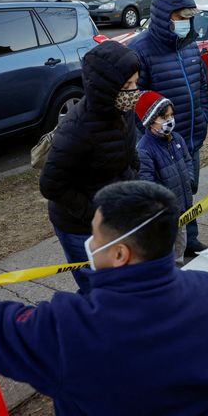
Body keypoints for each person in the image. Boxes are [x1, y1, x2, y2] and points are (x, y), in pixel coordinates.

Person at [0, 175, 208, 415]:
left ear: (119, 255)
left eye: (95, 236)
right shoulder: (206, 289)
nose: (89, 243)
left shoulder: (73, 328)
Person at [40, 41, 140, 291]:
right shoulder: (76, 130)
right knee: (96, 289)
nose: (134, 91)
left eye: (136, 83)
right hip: (80, 229)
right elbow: (51, 185)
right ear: (106, 88)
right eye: (127, 86)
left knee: (119, 283)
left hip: (115, 218)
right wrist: (94, 214)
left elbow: (129, 155)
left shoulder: (122, 110)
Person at [129, 0, 208, 256]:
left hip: (189, 138)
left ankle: (191, 241)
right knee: (164, 200)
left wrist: (203, 116)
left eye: (189, 16)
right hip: (160, 145)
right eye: (180, 16)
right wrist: (150, 135)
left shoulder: (190, 45)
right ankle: (166, 252)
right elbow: (134, 102)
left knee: (187, 192)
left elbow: (202, 87)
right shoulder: (140, 50)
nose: (186, 21)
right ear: (164, 17)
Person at [134, 91, 195, 261]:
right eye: (163, 117)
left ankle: (179, 263)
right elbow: (147, 183)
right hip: (164, 214)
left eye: (171, 115)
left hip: (182, 207)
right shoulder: (144, 150)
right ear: (150, 121)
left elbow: (188, 160)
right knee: (165, 248)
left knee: (180, 243)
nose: (169, 121)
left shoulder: (177, 139)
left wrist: (189, 180)